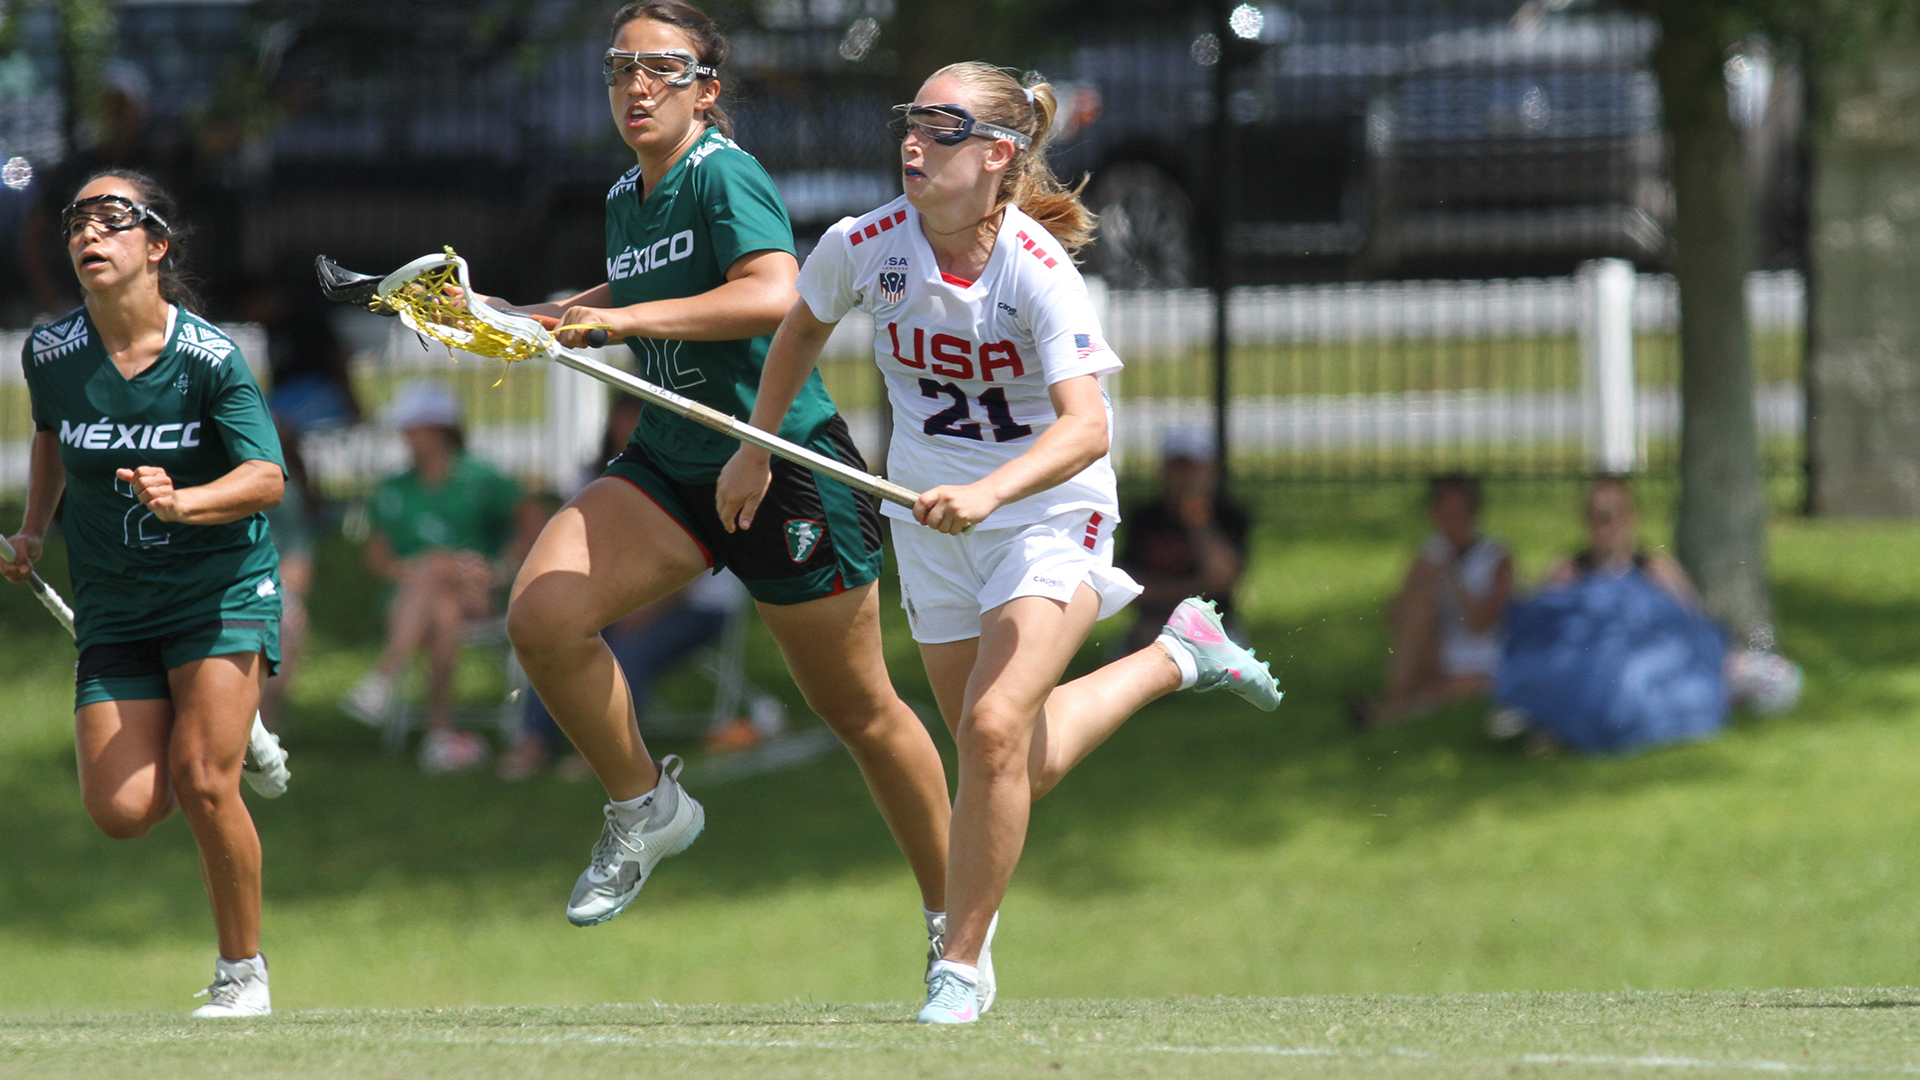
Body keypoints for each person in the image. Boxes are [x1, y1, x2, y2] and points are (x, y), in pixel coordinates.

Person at [714, 62, 1282, 1025]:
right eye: (910, 122)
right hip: (932, 522)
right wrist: (754, 451)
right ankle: (1175, 655)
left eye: (940, 128)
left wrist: (990, 493)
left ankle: (962, 963)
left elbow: (1087, 428)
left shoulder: (1035, 269)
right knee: (1010, 755)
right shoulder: (863, 245)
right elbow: (800, 328)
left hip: (1048, 514)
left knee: (988, 732)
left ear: (996, 156)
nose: (911, 143)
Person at [484, 1, 954, 951]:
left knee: (858, 708)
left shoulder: (724, 172)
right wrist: (520, 315)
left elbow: (772, 292)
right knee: (542, 617)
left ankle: (959, 918)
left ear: (707, 89)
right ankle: (644, 806)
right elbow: (635, 291)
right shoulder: (628, 194)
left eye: (662, 67)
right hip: (674, 457)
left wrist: (619, 327)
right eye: (621, 67)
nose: (637, 84)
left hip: (781, 463)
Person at [2, 169, 291, 1017]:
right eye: (76, 222)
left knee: (204, 781)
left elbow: (268, 478)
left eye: (111, 219)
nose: (89, 234)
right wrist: (30, 530)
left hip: (220, 585)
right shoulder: (50, 353)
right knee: (124, 810)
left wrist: (185, 501)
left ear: (156, 245)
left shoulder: (209, 358)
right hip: (114, 602)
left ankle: (242, 976)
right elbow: (53, 437)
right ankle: (236, 723)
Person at [341, 380, 541, 773]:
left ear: (438, 430)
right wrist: (427, 569)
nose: (405, 437)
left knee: (436, 577)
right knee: (441, 604)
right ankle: (439, 734)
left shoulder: (481, 477)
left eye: (412, 428)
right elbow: (378, 559)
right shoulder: (393, 487)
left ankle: (385, 677)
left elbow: (533, 521)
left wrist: (501, 568)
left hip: (475, 593)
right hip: (417, 598)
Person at [1353, 474, 1513, 729]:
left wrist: (1455, 580)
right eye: (1444, 514)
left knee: (1453, 688)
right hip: (1441, 653)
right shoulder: (1430, 553)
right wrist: (1418, 582)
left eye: (1458, 514)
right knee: (1420, 601)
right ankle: (1399, 695)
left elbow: (1482, 623)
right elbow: (1395, 619)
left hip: (1481, 660)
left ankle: (1389, 712)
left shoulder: (1496, 557)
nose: (1451, 523)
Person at [1115, 429, 1250, 654]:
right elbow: (1128, 586)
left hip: (1215, 624)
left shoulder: (1228, 517)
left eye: (1193, 469)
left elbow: (1221, 577)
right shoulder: (1145, 518)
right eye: (1178, 467)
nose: (1185, 477)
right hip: (1153, 623)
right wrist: (1195, 588)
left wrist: (1195, 516)